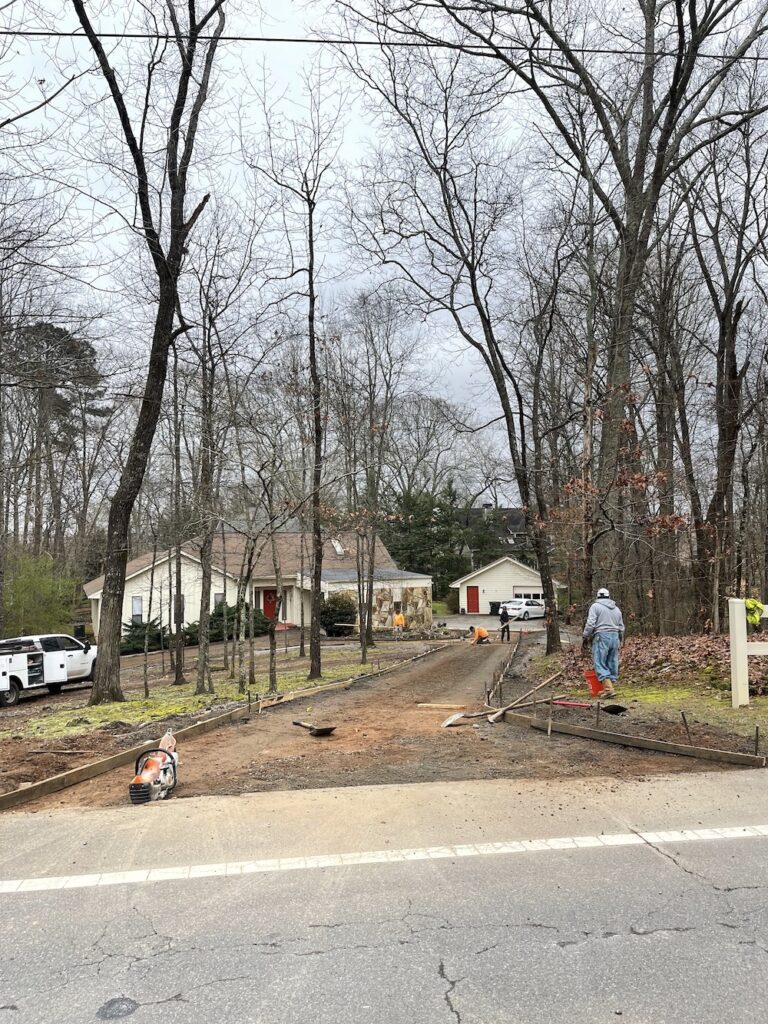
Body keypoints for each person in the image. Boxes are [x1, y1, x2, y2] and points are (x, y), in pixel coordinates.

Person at [582, 587, 624, 699]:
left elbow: (590, 623)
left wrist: (585, 635)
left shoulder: (595, 606)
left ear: (597, 596)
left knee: (600, 662)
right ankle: (608, 688)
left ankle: (608, 689)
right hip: (615, 637)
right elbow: (621, 627)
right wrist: (620, 639)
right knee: (612, 662)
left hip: (601, 636)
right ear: (609, 596)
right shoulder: (617, 609)